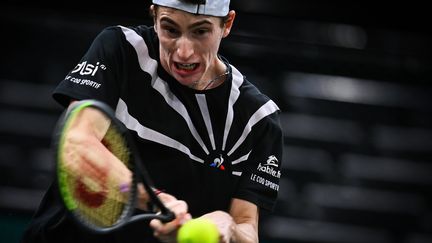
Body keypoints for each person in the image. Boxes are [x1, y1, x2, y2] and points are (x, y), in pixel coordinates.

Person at [21, 0, 283, 242]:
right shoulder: (122, 48)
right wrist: (156, 200)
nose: (183, 52)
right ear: (154, 17)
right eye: (170, 29)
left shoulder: (257, 118)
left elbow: (247, 227)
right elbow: (76, 147)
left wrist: (228, 227)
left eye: (200, 32)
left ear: (227, 24)